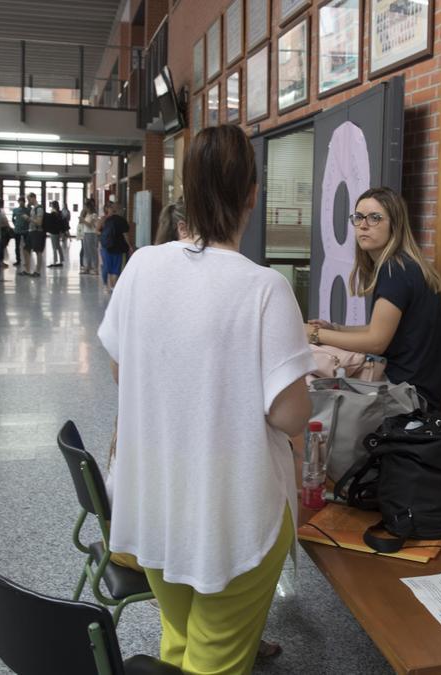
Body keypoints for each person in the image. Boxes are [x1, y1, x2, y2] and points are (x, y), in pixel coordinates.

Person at [98, 125, 313, 674]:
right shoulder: (265, 288)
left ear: (186, 190)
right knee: (214, 656)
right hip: (232, 513)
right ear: (252, 194)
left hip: (153, 503)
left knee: (181, 638)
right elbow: (289, 415)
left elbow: (124, 370)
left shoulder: (142, 266)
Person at [305, 187, 441, 411]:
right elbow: (379, 329)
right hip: (419, 388)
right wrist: (335, 328)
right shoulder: (402, 264)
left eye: (375, 218)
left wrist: (314, 335)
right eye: (358, 217)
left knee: (309, 377)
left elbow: (376, 342)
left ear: (395, 225)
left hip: (409, 394)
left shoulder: (395, 270)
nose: (363, 225)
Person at [99, 202, 130, 290]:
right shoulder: (122, 220)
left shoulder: (105, 219)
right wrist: (130, 245)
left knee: (106, 266)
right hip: (118, 247)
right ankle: (113, 286)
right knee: (116, 267)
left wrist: (104, 237)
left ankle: (106, 285)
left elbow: (97, 230)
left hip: (106, 246)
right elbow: (126, 235)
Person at [22, 192, 46, 277]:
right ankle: (27, 269)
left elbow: (39, 222)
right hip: (31, 231)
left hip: (37, 232)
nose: (28, 201)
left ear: (33, 198)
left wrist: (28, 218)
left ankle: (38, 271)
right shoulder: (33, 208)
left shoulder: (39, 208)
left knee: (38, 251)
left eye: (29, 199)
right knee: (25, 249)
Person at [78, 198, 99, 276]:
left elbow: (90, 225)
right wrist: (82, 218)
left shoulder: (94, 215)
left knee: (92, 251)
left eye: (86, 207)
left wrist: (83, 220)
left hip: (92, 234)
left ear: (89, 207)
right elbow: (83, 223)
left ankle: (95, 268)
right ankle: (87, 267)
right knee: (86, 251)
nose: (84, 209)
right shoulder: (87, 214)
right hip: (86, 234)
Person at [44, 200, 66, 268]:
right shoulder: (60, 212)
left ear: (53, 205)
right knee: (58, 246)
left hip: (53, 231)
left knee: (54, 247)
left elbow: (51, 221)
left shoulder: (53, 212)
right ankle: (61, 259)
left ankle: (55, 261)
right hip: (57, 231)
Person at [11, 197, 29, 267]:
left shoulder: (27, 210)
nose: (21, 202)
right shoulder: (15, 210)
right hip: (17, 230)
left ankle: (26, 260)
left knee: (26, 246)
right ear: (18, 202)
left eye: (22, 201)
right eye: (20, 201)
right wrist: (15, 224)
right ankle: (18, 260)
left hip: (25, 230)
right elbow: (13, 218)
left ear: (24, 202)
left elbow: (29, 219)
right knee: (17, 246)